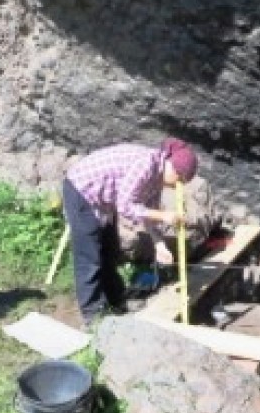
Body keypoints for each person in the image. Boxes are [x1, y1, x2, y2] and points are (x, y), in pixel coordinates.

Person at [62, 138, 199, 326]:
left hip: (104, 200)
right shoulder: (145, 165)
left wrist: (159, 244)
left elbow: (148, 213)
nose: (177, 186)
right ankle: (92, 316)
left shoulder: (157, 178)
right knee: (90, 258)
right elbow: (125, 205)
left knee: (110, 252)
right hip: (82, 191)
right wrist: (164, 215)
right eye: (180, 180)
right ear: (173, 168)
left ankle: (116, 301)